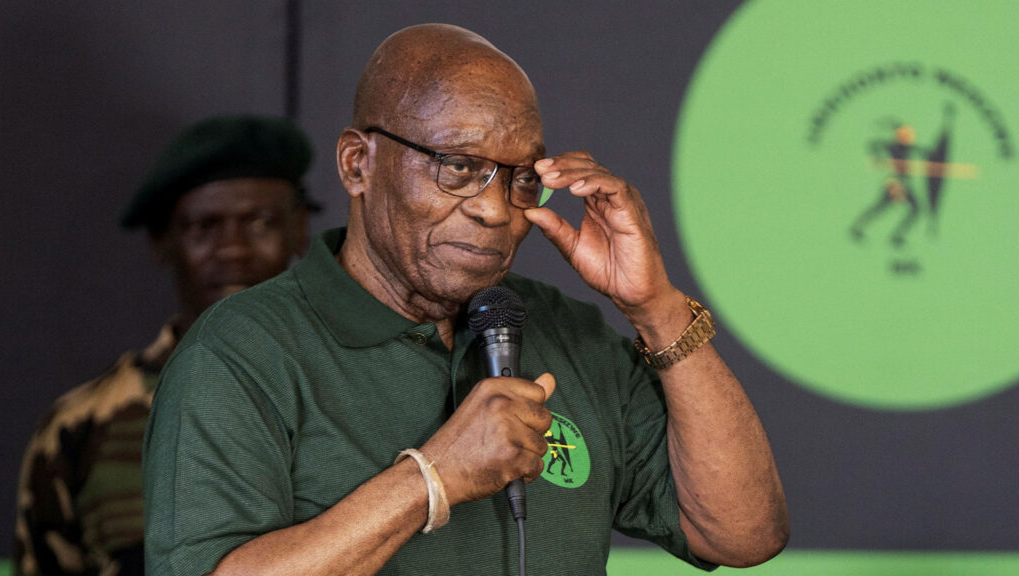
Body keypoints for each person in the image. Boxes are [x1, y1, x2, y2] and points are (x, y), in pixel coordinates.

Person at [143, 24, 789, 576]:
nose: (492, 210)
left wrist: (655, 308)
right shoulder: (243, 350)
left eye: (521, 179)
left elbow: (743, 536)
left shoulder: (568, 333)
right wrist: (431, 480)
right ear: (357, 164)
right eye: (457, 167)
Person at [13, 114, 316, 576]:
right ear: (163, 240)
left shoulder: (354, 392)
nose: (233, 249)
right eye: (204, 227)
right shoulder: (79, 430)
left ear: (300, 229)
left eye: (259, 221)